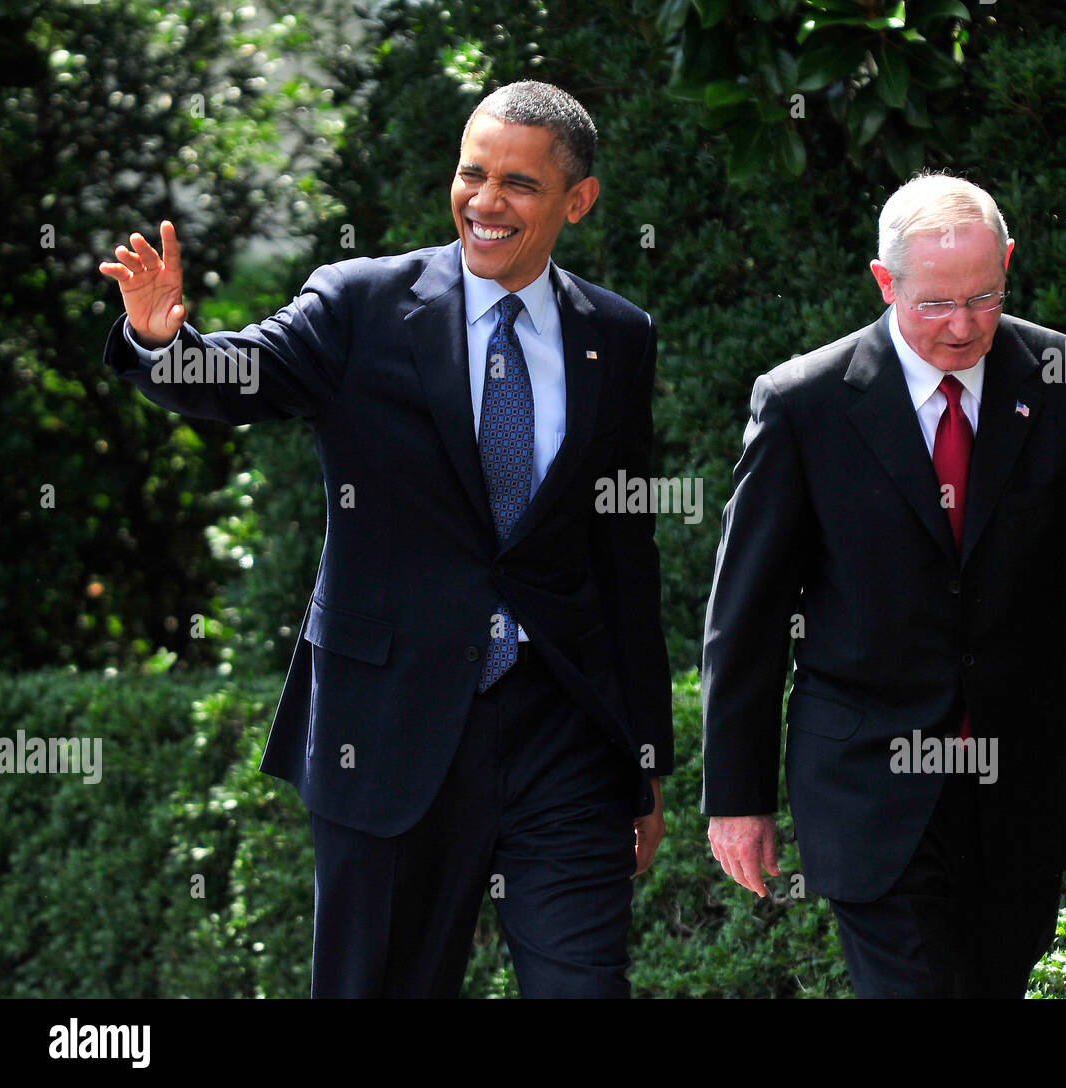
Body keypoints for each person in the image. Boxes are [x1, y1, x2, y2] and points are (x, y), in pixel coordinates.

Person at [99, 81, 673, 998]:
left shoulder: (618, 335)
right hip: (392, 727)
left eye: (519, 185)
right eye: (472, 174)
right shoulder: (361, 303)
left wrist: (643, 761)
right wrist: (168, 345)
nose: (485, 203)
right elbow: (246, 376)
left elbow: (623, 553)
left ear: (579, 199)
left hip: (562, 733)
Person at [700, 173, 1066, 998]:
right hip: (867, 784)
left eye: (984, 298)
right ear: (885, 283)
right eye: (934, 305)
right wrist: (737, 797)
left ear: (1006, 262)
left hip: (1023, 786)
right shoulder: (804, 405)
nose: (963, 328)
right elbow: (746, 614)